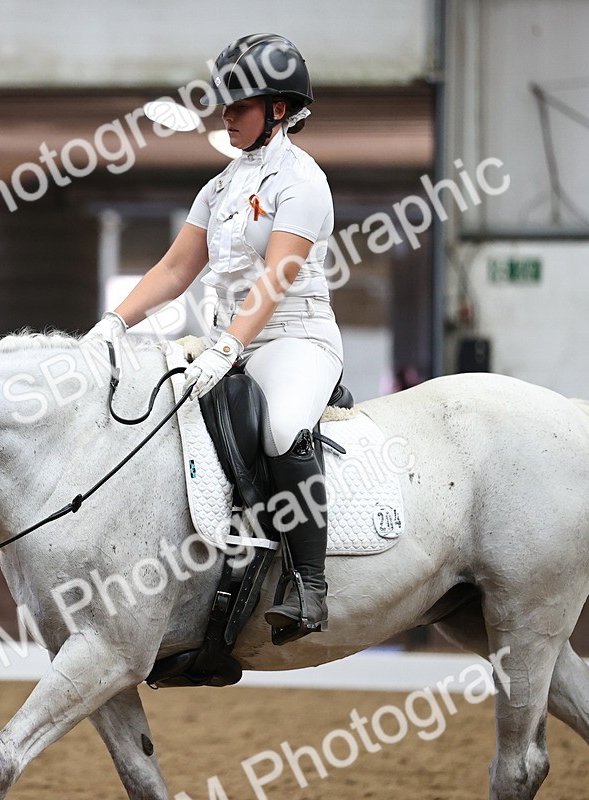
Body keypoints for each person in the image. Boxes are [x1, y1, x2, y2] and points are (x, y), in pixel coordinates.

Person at [85, 33, 344, 644]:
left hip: (294, 340)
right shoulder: (221, 186)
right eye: (224, 104)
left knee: (282, 428)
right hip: (233, 341)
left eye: (240, 105)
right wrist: (114, 322)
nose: (226, 115)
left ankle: (309, 585)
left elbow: (279, 275)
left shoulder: (302, 181)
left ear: (279, 109)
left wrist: (228, 345)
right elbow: (176, 270)